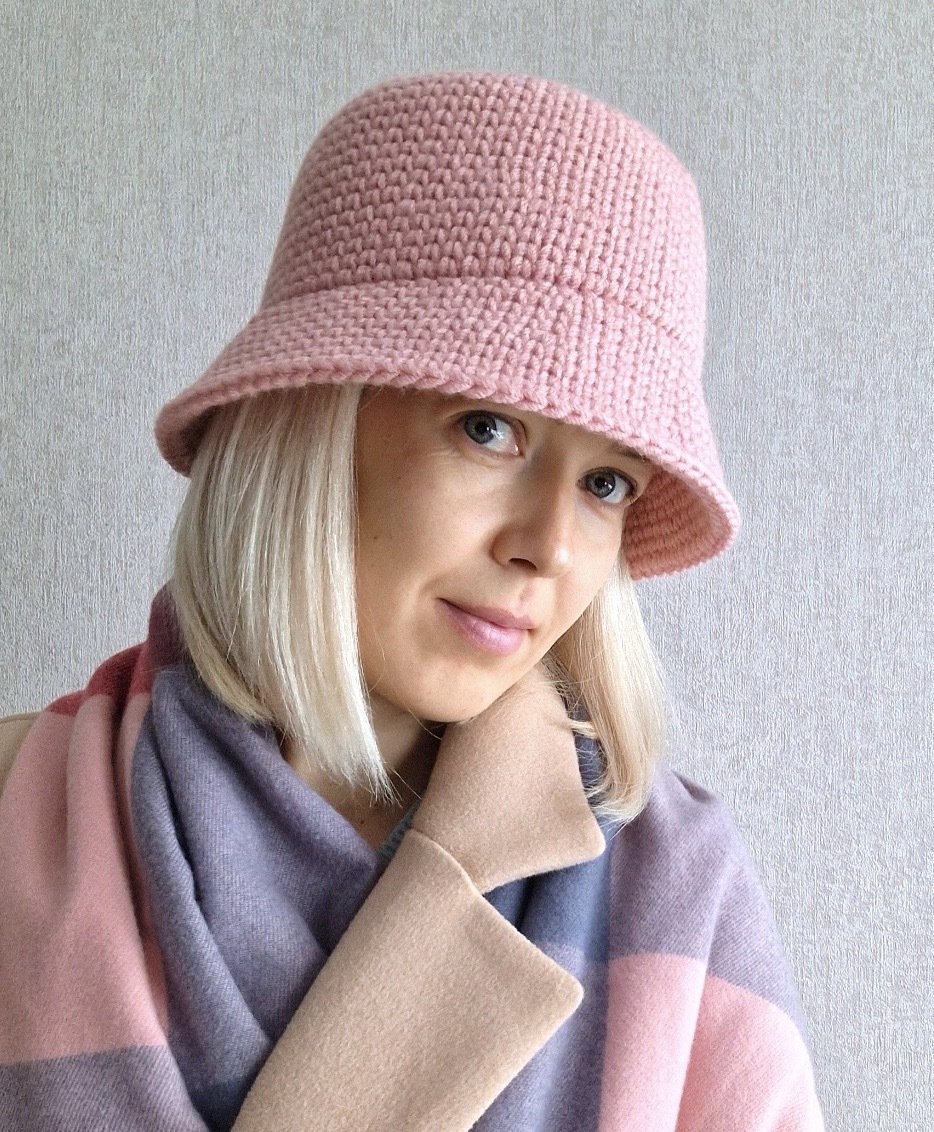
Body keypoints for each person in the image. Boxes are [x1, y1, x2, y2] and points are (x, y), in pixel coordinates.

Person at [0, 70, 824, 1130]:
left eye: (607, 483)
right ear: (312, 424)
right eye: (488, 428)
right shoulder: (17, 810)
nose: (548, 547)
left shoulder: (673, 889)